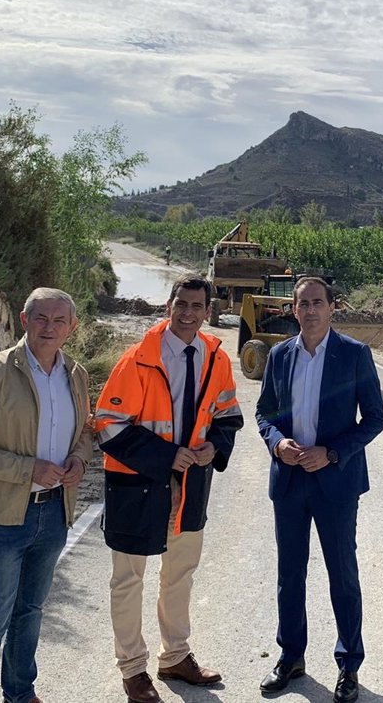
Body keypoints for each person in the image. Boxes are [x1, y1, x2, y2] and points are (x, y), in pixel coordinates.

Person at [94, 275, 244, 703]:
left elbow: (228, 414)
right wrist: (166, 456)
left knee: (180, 574)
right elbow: (106, 423)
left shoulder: (217, 358)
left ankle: (175, 656)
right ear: (169, 306)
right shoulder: (138, 358)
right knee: (128, 579)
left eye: (197, 306)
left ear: (208, 312)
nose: (188, 313)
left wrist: (215, 445)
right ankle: (132, 669)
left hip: (191, 486)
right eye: (182, 304)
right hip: (137, 486)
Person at [0, 287, 94, 703]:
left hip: (54, 515)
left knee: (30, 612)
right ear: (24, 320)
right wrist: (27, 469)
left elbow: (85, 431)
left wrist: (80, 461)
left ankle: (20, 693)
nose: (50, 327)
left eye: (59, 320)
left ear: (72, 327)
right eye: (41, 318)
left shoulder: (76, 375)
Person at [255, 277, 383, 703]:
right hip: (290, 481)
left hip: (336, 484)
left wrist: (331, 453)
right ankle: (291, 657)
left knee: (342, 574)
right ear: (293, 310)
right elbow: (264, 413)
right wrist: (278, 444)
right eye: (303, 304)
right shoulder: (279, 355)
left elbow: (374, 419)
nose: (310, 310)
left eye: (317, 302)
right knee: (289, 573)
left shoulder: (354, 354)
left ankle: (349, 665)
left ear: (332, 307)